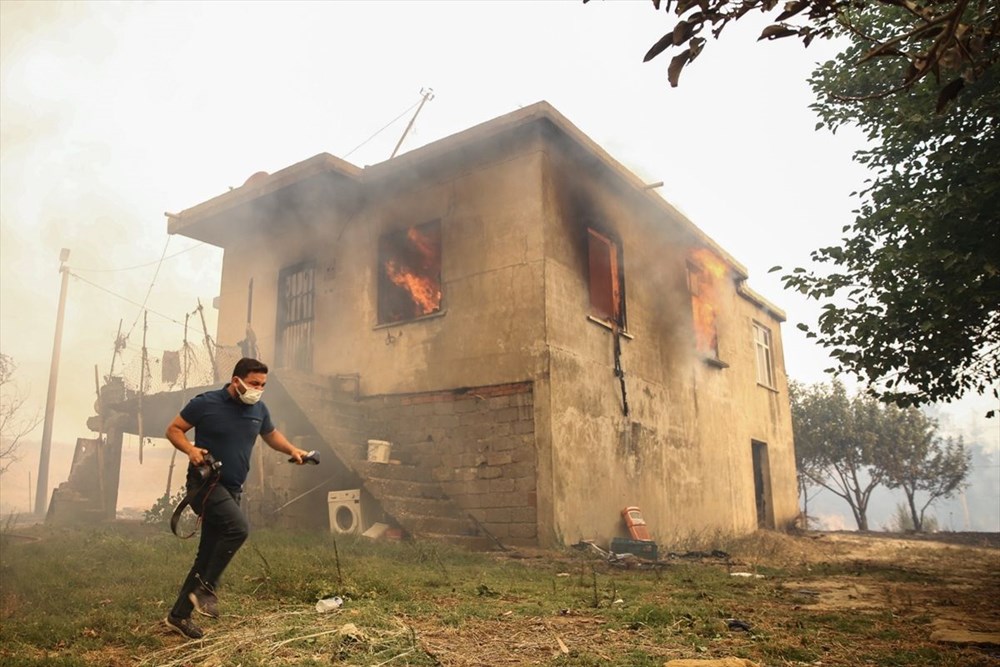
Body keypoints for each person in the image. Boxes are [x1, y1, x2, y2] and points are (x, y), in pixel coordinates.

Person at [163, 357, 310, 639]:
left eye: (263, 385)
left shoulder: (259, 409)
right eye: (255, 383)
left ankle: (178, 616)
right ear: (236, 381)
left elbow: (271, 435)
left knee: (207, 553)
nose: (259, 389)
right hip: (205, 484)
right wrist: (191, 450)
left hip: (232, 489)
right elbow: (174, 429)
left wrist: (292, 450)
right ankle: (206, 589)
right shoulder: (205, 403)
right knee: (238, 529)